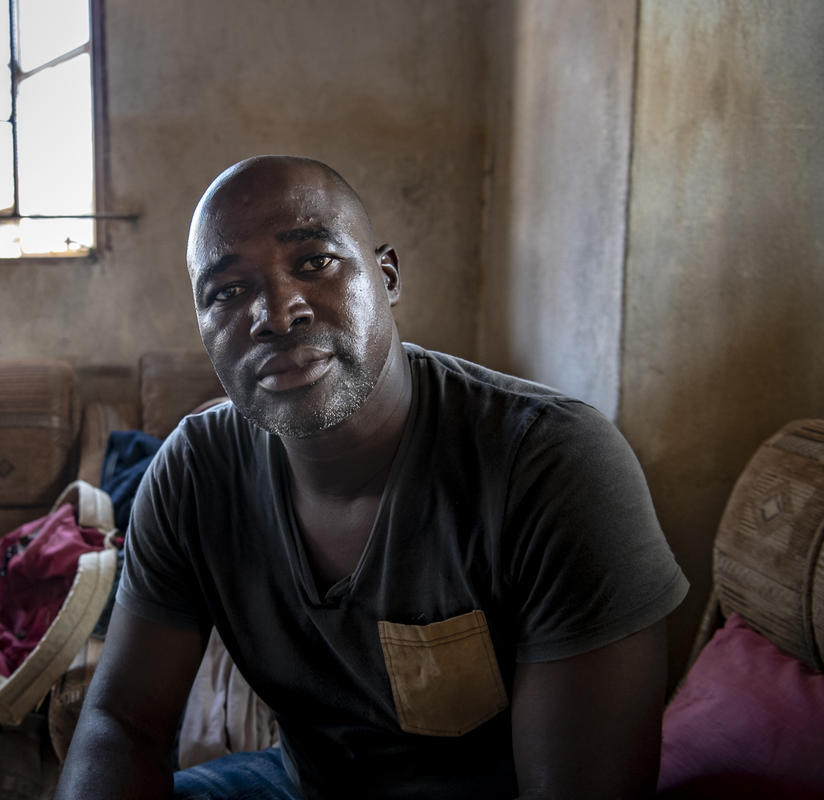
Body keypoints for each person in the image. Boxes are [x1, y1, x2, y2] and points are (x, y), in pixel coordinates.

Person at [55, 155, 688, 799]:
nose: (275, 313)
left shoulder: (552, 464)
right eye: (227, 291)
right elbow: (122, 720)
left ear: (386, 277)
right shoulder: (194, 470)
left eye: (313, 262)